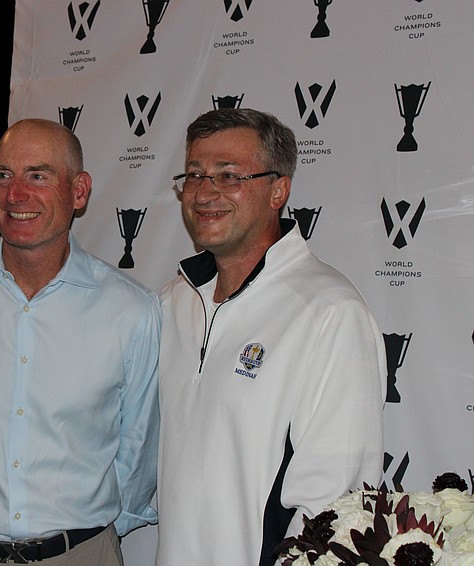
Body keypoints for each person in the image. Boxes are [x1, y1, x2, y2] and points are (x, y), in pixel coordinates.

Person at [0, 118, 161, 566]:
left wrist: (89, 536)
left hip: (79, 555)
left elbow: (139, 449)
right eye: (3, 175)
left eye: (37, 175)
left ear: (79, 191)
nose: (14, 194)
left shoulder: (131, 309)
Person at [156, 108, 386, 566]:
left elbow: (335, 508)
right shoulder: (174, 301)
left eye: (229, 175)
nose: (205, 193)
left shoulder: (329, 312)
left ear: (279, 189)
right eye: (196, 175)